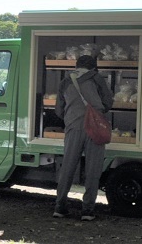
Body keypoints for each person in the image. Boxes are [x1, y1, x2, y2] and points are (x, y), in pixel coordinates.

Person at [54, 55, 113, 221]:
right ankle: (87, 211)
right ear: (94, 67)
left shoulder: (65, 81)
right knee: (93, 170)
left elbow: (59, 110)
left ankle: (60, 207)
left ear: (76, 66)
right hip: (94, 128)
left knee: (67, 167)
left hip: (73, 127)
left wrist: (72, 116)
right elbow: (108, 102)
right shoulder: (97, 79)